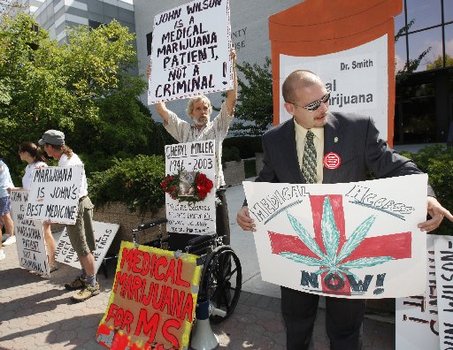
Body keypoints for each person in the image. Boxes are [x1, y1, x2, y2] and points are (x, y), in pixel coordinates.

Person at [236, 69, 453, 350]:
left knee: (345, 331)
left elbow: (396, 165)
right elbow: (268, 177)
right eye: (313, 105)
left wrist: (425, 196)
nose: (324, 108)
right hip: (298, 253)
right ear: (290, 108)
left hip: (348, 253)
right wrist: (247, 206)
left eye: (325, 98)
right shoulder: (274, 139)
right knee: (296, 323)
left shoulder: (356, 128)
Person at [153, 50, 238, 244]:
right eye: (198, 108)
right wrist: (153, 79)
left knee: (220, 236)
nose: (203, 111)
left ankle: (223, 270)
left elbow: (231, 97)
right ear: (191, 112)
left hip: (215, 189)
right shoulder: (183, 130)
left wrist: (232, 65)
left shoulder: (218, 127)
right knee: (193, 238)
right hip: (188, 189)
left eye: (206, 107)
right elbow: (161, 109)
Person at [38, 130, 99, 302]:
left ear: (51, 147)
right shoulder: (67, 158)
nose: (44, 149)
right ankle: (86, 277)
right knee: (82, 246)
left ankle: (92, 285)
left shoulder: (67, 163)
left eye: (45, 146)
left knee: (82, 247)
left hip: (76, 206)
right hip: (79, 204)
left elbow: (66, 194)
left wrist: (54, 214)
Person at [18, 142, 57, 271]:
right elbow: (28, 188)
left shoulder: (41, 166)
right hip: (31, 206)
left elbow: (46, 187)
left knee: (45, 233)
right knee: (38, 234)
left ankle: (52, 262)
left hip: (42, 205)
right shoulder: (28, 167)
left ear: (26, 153)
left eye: (20, 151)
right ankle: (40, 261)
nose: (19, 154)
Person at [0, 158, 15, 260]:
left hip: (3, 192)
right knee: (3, 214)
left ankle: (11, 235)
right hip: (2, 192)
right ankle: (7, 234)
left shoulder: (1, 163)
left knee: (5, 214)